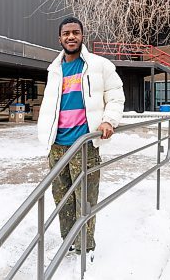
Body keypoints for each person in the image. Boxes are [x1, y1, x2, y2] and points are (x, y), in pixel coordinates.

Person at [37, 17, 125, 260]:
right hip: (57, 145)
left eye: (75, 32)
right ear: (60, 38)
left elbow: (116, 96)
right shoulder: (54, 70)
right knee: (61, 196)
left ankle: (85, 248)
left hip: (85, 144)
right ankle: (68, 241)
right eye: (66, 33)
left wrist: (109, 120)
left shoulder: (99, 65)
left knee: (85, 197)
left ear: (82, 35)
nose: (71, 37)